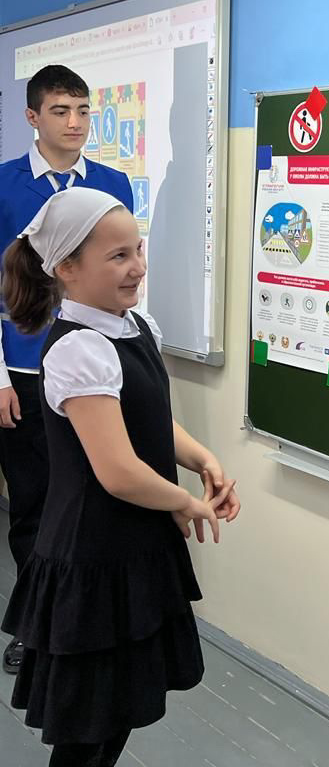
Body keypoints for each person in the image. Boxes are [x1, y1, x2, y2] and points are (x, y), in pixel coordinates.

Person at [1, 187, 239, 766]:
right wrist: (186, 502)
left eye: (138, 249)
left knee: (118, 715)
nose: (138, 267)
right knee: (88, 730)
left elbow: (149, 420)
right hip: (91, 558)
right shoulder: (79, 350)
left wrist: (202, 458)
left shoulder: (134, 327)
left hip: (132, 549)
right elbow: (118, 472)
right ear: (67, 268)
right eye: (118, 256)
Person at [0, 64, 133, 674]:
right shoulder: (5, 186)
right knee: (34, 503)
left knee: (90, 499)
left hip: (95, 369)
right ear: (33, 117)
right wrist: (0, 376)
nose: (75, 123)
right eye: (60, 111)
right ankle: (34, 628)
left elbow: (122, 272)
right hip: (25, 370)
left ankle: (84, 621)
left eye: (83, 111)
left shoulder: (112, 184)